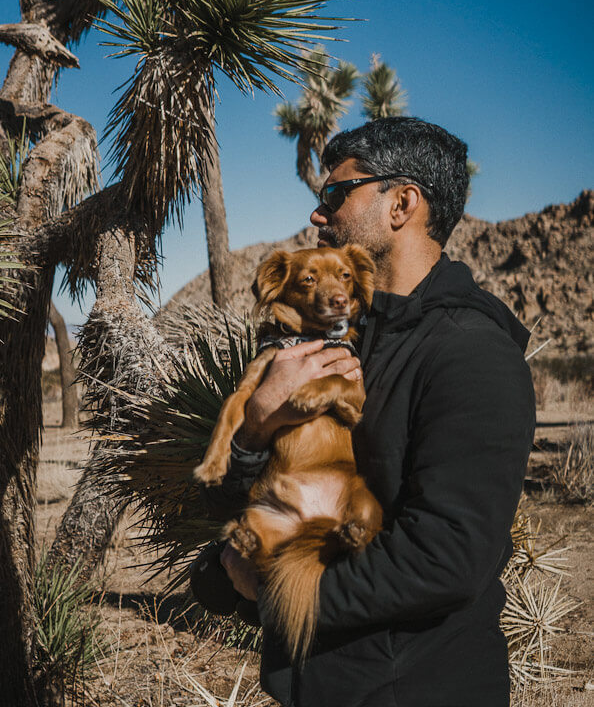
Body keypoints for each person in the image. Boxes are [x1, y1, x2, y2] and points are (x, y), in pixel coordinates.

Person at [191, 117, 536, 707]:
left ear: (402, 203)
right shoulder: (331, 341)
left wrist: (267, 592)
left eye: (334, 193)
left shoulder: (472, 353)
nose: (318, 214)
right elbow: (273, 490)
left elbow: (446, 560)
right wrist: (255, 429)